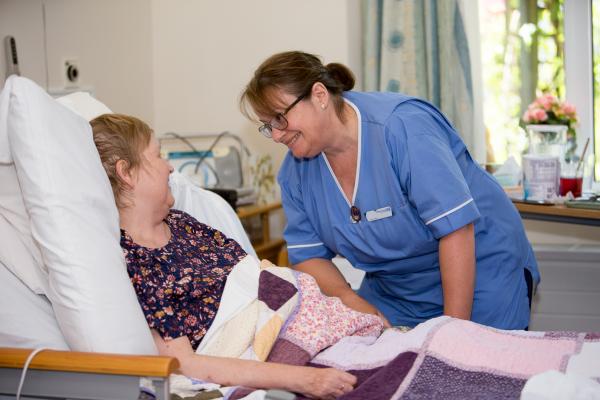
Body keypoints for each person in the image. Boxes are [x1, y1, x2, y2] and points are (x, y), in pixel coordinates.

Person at [240, 51, 539, 330]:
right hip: (395, 290)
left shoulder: (402, 127)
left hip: (479, 270)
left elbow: (456, 230)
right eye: (267, 126)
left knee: (469, 362)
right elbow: (308, 257)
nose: (276, 135)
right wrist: (352, 301)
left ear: (319, 95)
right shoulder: (296, 173)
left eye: (279, 118)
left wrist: (451, 333)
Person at [90, 113, 357, 399]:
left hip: (309, 325)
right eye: (158, 155)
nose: (169, 167)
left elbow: (256, 278)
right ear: (127, 172)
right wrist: (304, 380)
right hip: (275, 361)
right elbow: (184, 364)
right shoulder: (137, 263)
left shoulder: (183, 224)